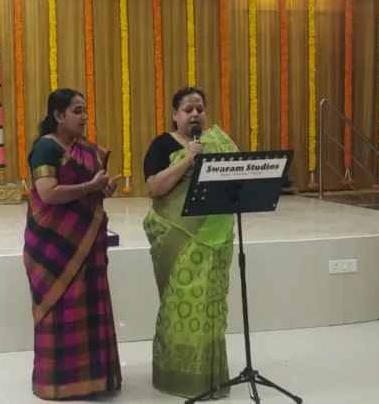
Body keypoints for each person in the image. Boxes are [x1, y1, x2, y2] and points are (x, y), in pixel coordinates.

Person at [23, 88, 123, 400]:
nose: (84, 117)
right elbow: (48, 193)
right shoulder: (46, 148)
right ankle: (59, 383)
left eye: (84, 110)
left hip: (88, 240)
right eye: (77, 111)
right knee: (61, 310)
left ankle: (94, 379)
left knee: (90, 306)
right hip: (54, 245)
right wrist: (89, 186)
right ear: (58, 115)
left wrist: (103, 189)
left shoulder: (86, 149)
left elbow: (92, 190)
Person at [142, 87, 239, 399]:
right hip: (177, 238)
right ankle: (176, 378)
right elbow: (154, 188)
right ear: (175, 115)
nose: (195, 114)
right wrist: (187, 160)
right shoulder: (162, 145)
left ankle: (210, 376)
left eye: (200, 108)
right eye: (188, 109)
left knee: (210, 306)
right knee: (180, 306)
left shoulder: (217, 142)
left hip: (213, 238)